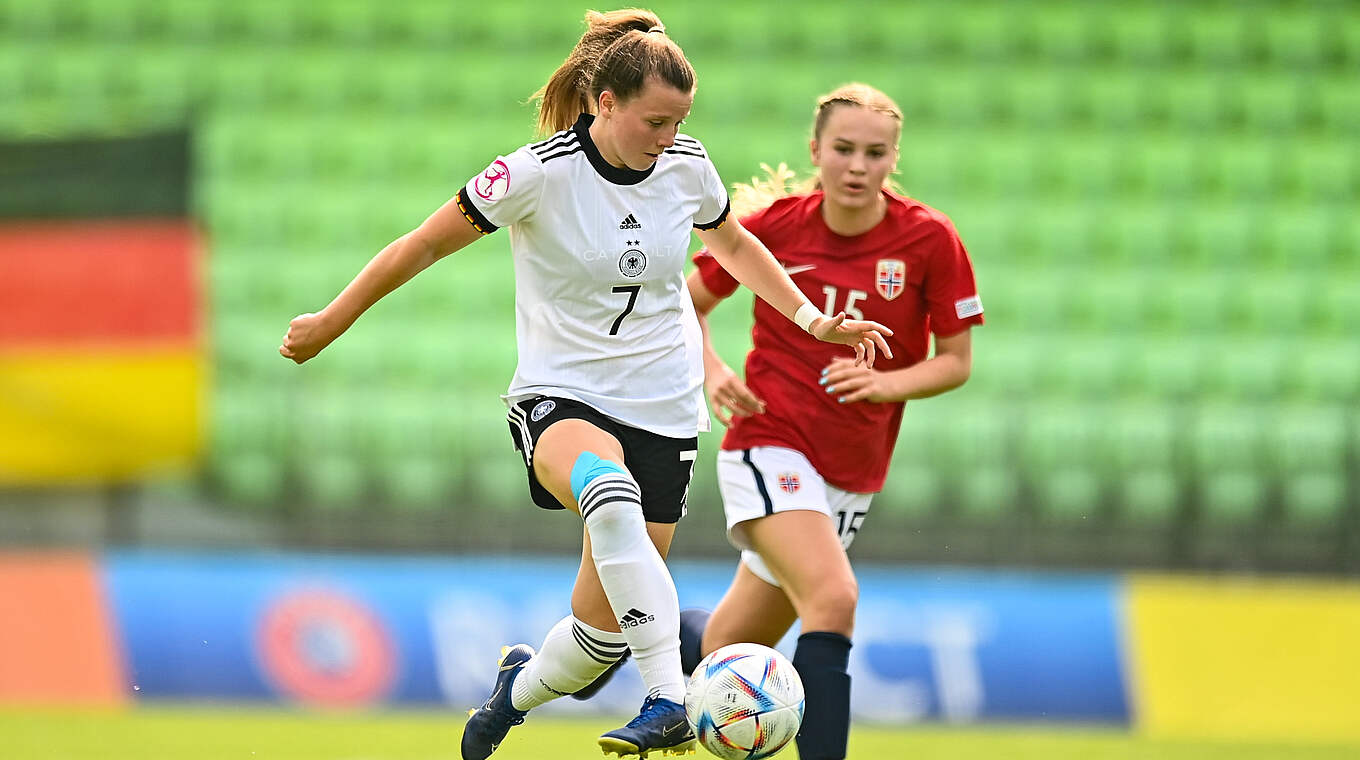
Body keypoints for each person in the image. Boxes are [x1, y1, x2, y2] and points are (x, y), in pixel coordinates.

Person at [279, 12, 892, 760]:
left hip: (663, 404)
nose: (667, 138)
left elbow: (731, 242)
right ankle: (669, 697)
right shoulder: (533, 174)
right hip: (561, 393)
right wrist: (332, 320)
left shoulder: (688, 166)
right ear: (604, 102)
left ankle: (515, 692)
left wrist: (809, 317)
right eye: (654, 121)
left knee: (599, 637)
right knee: (608, 489)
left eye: (678, 123)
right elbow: (423, 244)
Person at [575, 82, 984, 760]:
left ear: (893, 160)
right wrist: (713, 372)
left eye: (875, 153)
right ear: (816, 151)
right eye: (844, 149)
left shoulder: (929, 240)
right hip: (770, 442)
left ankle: (627, 633)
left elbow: (957, 361)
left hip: (851, 470)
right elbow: (685, 303)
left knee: (726, 649)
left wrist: (885, 384)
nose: (857, 165)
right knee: (834, 599)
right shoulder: (778, 228)